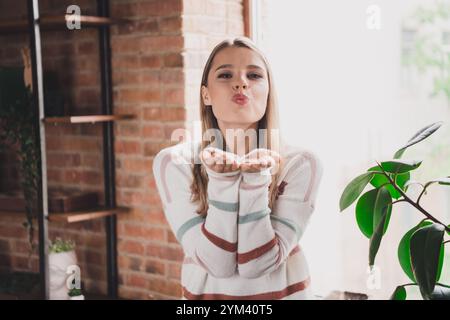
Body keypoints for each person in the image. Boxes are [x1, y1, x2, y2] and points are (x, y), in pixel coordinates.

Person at [153, 37, 323, 300]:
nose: (241, 82)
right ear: (205, 94)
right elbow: (216, 264)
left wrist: (255, 177)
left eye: (254, 75)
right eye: (225, 74)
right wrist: (223, 178)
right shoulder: (174, 163)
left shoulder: (302, 164)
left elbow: (257, 265)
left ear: (268, 92)